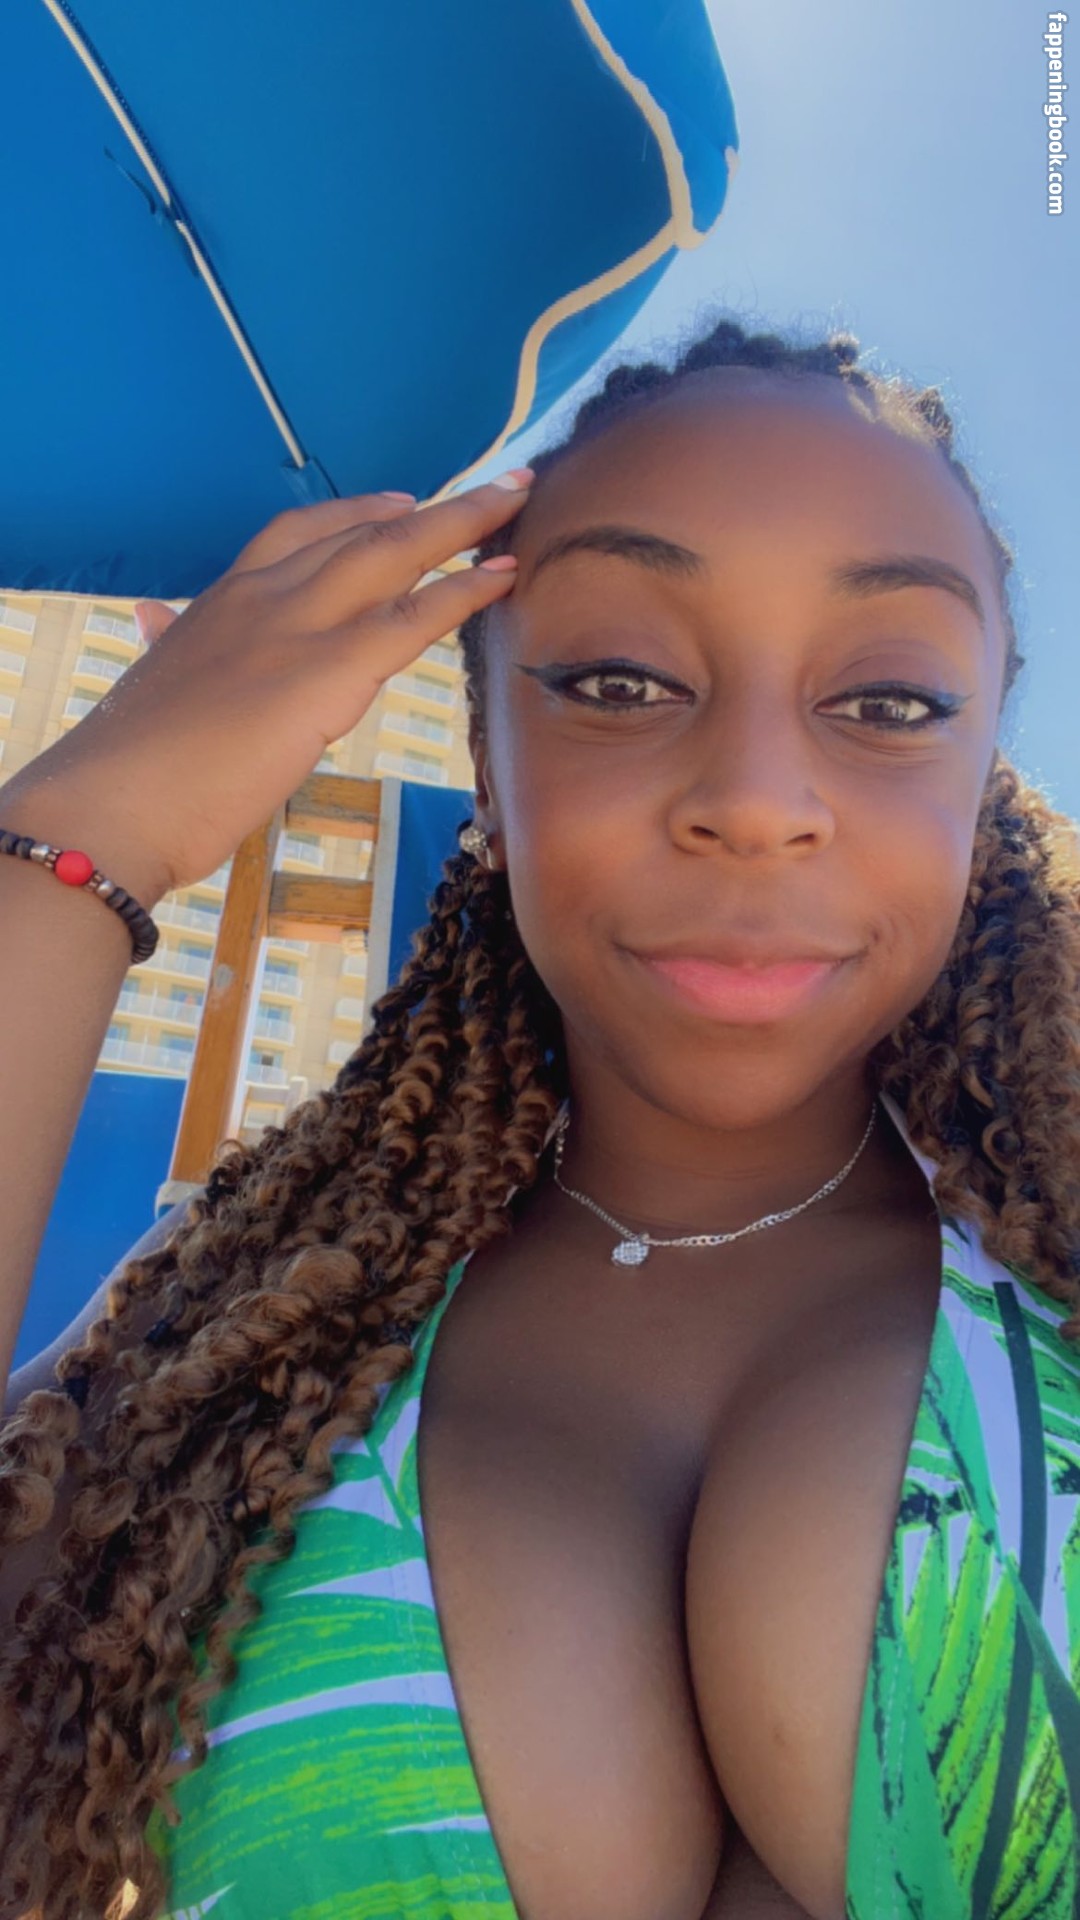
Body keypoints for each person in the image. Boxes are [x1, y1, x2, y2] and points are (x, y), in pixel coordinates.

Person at [0, 311, 1078, 1920]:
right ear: (489, 773)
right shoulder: (229, 1342)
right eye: (620, 680)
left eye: (892, 702)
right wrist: (89, 828)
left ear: (982, 776)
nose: (757, 799)